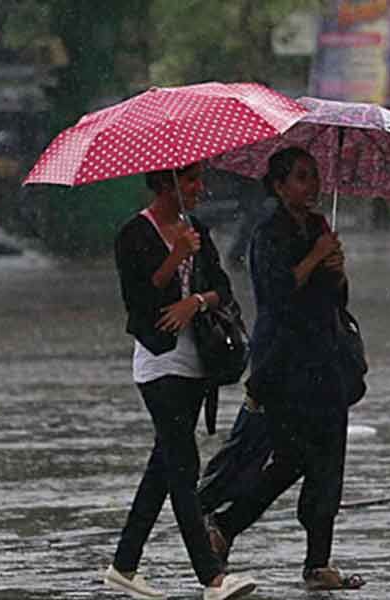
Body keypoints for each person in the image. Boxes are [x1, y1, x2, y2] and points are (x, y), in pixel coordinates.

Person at [205, 148, 366, 591]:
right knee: (291, 457)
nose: (311, 186)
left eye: (314, 176)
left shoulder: (318, 228)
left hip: (327, 361)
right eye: (300, 177)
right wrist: (316, 257)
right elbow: (276, 295)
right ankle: (225, 523)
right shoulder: (267, 235)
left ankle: (318, 563)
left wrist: (336, 268)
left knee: (329, 463)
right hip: (285, 366)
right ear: (278, 186)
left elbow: (334, 300)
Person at [108, 163, 257, 600]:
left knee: (164, 468)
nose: (199, 188)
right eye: (190, 180)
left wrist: (195, 300)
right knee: (182, 466)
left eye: (198, 179)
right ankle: (211, 578)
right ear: (164, 183)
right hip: (159, 365)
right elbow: (138, 302)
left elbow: (223, 291)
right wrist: (174, 256)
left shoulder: (197, 230)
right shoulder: (133, 234)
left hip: (198, 365)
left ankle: (123, 565)